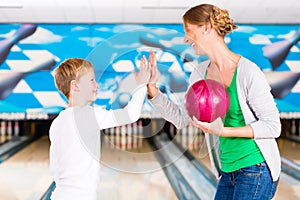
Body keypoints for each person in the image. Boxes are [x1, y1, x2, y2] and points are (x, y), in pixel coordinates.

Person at [147, 4, 281, 200]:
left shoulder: (247, 72)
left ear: (207, 28)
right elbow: (182, 118)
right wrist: (153, 90)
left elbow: (272, 127)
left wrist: (223, 131)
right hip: (227, 171)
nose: (185, 39)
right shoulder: (199, 73)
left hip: (256, 167)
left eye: (188, 31)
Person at [49, 57, 151, 199]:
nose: (96, 85)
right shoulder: (86, 115)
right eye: (91, 80)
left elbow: (54, 170)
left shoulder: (57, 122)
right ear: (75, 86)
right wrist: (142, 84)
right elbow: (130, 115)